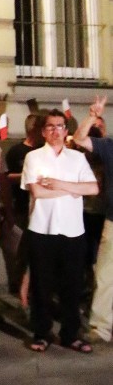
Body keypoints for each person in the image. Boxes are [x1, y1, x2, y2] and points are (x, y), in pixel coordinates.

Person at [20, 107, 98, 353]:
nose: (56, 131)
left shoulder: (77, 158)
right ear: (43, 131)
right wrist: (74, 188)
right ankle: (42, 333)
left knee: (72, 286)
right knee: (42, 286)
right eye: (51, 126)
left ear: (67, 131)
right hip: (42, 230)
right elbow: (38, 192)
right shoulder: (34, 157)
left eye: (60, 126)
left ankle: (70, 334)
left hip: (73, 231)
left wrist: (60, 184)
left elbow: (93, 188)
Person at [73, 96, 113, 343]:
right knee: (105, 275)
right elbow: (78, 139)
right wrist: (92, 115)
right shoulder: (109, 146)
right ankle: (101, 328)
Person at [4, 112, 41, 298]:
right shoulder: (17, 151)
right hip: (21, 209)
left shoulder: (44, 151)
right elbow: (6, 177)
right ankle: (19, 290)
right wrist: (28, 176)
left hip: (40, 211)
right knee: (21, 254)